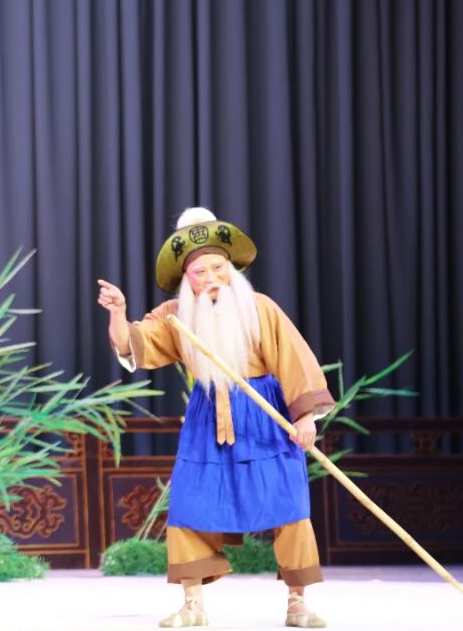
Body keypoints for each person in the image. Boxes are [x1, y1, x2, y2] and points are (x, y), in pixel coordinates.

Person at [98, 207, 333, 628]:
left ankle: (297, 602)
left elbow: (295, 360)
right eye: (199, 271)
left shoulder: (260, 308)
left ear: (231, 268)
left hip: (265, 416)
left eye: (218, 268)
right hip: (208, 420)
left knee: (289, 505)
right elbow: (134, 344)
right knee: (190, 506)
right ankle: (193, 605)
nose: (210, 278)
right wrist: (118, 314)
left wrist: (305, 418)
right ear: (186, 277)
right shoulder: (175, 316)